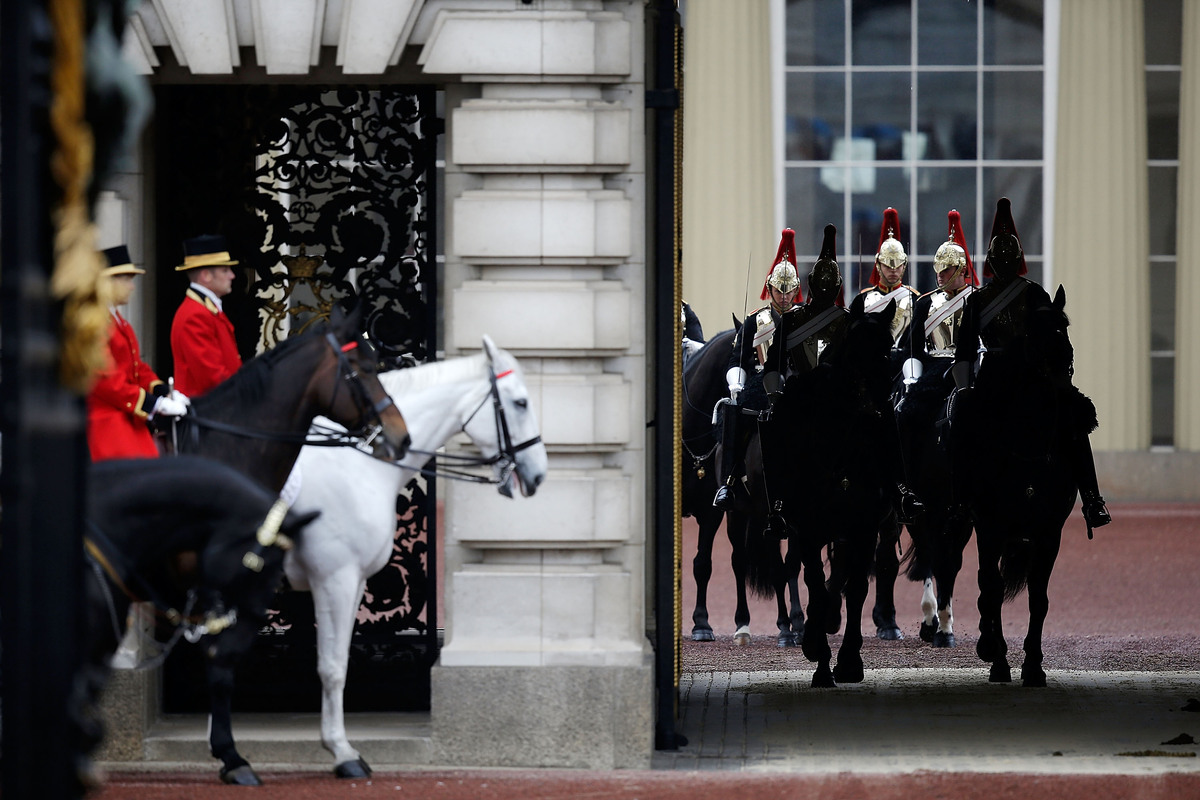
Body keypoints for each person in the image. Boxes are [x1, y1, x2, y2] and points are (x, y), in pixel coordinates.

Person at [950, 197, 1111, 531]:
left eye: (1011, 258)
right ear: (994, 261)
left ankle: (1092, 499)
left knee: (1075, 419)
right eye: (1002, 258)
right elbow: (964, 350)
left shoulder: (1035, 293)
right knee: (961, 426)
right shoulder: (980, 300)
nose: (1006, 263)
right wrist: (964, 389)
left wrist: (1060, 380)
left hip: (1033, 376)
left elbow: (1055, 340)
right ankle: (961, 501)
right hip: (994, 379)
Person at [712, 228, 803, 511]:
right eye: (779, 290)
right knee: (734, 411)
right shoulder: (756, 320)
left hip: (796, 381)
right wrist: (736, 382)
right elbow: (737, 359)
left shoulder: (805, 320)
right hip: (760, 382)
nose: (785, 297)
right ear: (770, 288)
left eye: (790, 291)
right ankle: (728, 481)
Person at [86, 246, 189, 461]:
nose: (132, 287)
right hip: (106, 421)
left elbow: (137, 367)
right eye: (126, 279)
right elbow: (107, 381)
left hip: (126, 415)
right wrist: (153, 404)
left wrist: (161, 390)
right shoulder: (94, 323)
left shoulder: (119, 321)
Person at [170, 233, 242, 397]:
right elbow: (212, 378)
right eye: (225, 270)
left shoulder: (205, 309)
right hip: (207, 413)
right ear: (206, 275)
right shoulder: (195, 315)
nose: (232, 275)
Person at [858, 207, 919, 376]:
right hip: (871, 364)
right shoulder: (864, 298)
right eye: (888, 265)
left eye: (898, 265)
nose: (893, 270)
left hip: (904, 365)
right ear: (878, 265)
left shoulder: (914, 298)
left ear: (904, 265)